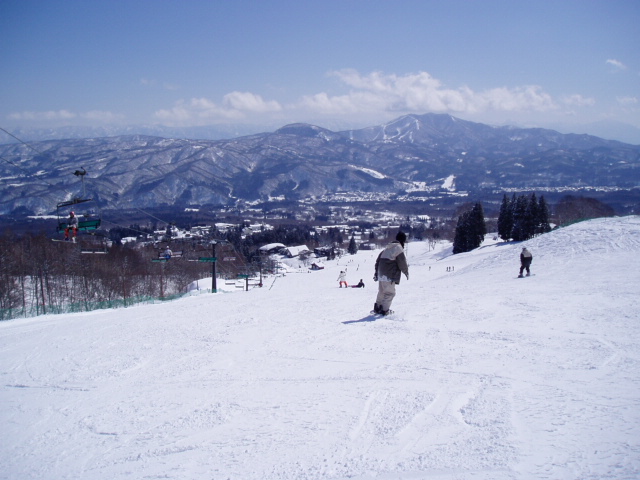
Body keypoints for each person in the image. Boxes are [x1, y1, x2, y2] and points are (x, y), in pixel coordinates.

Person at [373, 231, 409, 315]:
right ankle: (385, 310)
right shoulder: (398, 248)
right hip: (389, 274)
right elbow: (402, 262)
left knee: (382, 291)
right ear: (403, 240)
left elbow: (378, 261)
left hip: (381, 274)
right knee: (390, 293)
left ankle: (377, 307)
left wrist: (376, 273)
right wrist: (406, 272)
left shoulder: (387, 248)